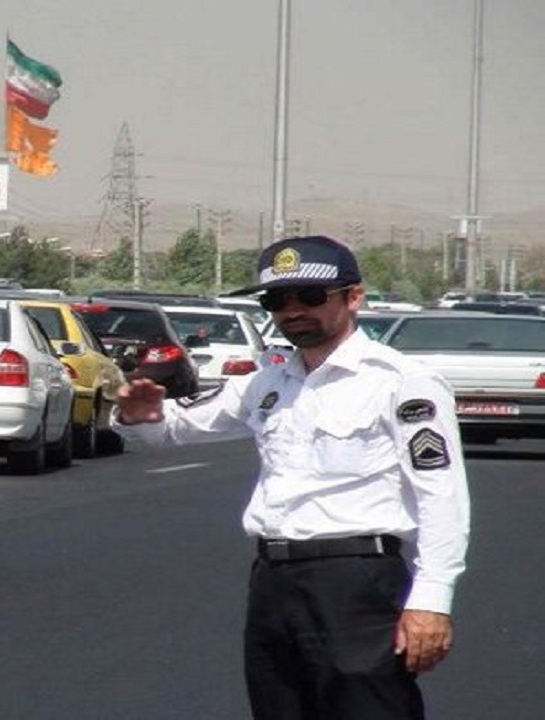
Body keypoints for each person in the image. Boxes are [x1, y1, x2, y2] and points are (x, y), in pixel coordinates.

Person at [115, 235, 469, 720]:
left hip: (357, 580)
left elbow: (441, 496)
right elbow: (175, 429)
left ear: (354, 298)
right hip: (274, 581)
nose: (293, 310)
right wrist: (141, 415)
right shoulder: (269, 378)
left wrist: (432, 599)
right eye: (277, 300)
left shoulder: (399, 381)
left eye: (310, 296)